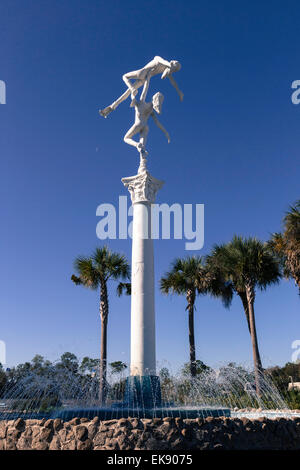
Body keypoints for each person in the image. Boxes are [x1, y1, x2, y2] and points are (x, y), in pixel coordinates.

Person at [99, 56, 183, 118]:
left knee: (124, 77)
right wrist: (179, 92)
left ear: (173, 63)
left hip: (142, 73)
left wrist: (170, 65)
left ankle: (131, 90)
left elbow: (164, 62)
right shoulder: (166, 69)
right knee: (127, 93)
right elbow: (173, 82)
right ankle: (111, 107)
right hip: (146, 79)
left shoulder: (159, 59)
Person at [124, 90, 170, 157]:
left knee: (126, 138)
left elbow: (144, 89)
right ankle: (142, 160)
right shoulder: (151, 111)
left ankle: (136, 144)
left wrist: (133, 94)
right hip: (145, 127)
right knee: (142, 148)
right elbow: (157, 123)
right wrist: (166, 133)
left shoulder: (141, 103)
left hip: (138, 124)